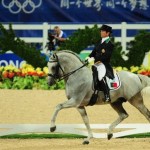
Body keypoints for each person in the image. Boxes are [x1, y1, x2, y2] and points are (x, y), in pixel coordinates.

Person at [87, 24, 114, 102]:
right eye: (101, 31)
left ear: (107, 33)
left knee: (100, 77)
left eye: (102, 31)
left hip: (104, 65)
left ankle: (107, 95)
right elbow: (94, 52)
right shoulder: (99, 42)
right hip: (96, 64)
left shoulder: (110, 44)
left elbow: (107, 56)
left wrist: (96, 60)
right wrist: (89, 57)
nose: (101, 32)